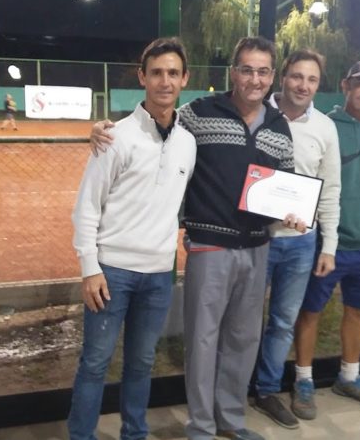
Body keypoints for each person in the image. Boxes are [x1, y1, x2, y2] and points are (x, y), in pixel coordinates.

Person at [91, 36, 299, 440]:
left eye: (262, 71)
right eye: (246, 69)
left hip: (258, 246)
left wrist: (291, 211)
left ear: (272, 76)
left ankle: (231, 421)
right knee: (202, 341)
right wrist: (104, 128)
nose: (254, 79)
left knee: (243, 339)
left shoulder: (279, 126)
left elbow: (286, 183)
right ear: (233, 72)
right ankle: (201, 427)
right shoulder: (199, 114)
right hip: (209, 246)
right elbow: (156, 120)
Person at [67, 37, 196, 440]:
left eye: (172, 73)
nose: (164, 81)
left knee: (141, 364)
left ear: (184, 79)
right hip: (112, 273)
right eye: (156, 72)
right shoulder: (115, 137)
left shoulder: (188, 143)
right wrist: (90, 268)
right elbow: (87, 206)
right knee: (95, 363)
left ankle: (134, 434)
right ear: (142, 77)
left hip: (158, 275)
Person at [294, 60, 360, 414]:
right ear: (345, 85)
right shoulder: (325, 127)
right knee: (310, 312)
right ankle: (303, 380)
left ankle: (350, 377)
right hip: (328, 245)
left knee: (357, 312)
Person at [250, 49, 341, 429]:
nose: (303, 85)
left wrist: (329, 246)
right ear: (283, 77)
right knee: (243, 320)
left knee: (283, 322)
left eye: (312, 79)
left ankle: (266, 390)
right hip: (256, 239)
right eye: (297, 76)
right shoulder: (255, 114)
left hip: (302, 243)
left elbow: (330, 190)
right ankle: (231, 386)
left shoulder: (325, 128)